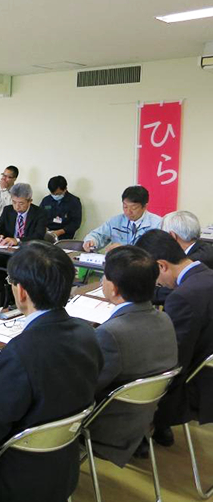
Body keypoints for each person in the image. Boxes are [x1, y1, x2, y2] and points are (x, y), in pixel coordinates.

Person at [0, 241, 102, 501]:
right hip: (60, 450)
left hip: (17, 461)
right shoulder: (87, 333)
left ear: (21, 291)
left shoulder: (21, 351)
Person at [88, 246, 177, 464]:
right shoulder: (164, 319)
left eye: (104, 278)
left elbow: (86, 388)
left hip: (109, 426)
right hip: (143, 418)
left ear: (115, 289)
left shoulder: (110, 334)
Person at [136, 229, 213, 447]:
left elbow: (173, 360)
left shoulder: (183, 297)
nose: (157, 284)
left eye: (154, 277)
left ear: (161, 265)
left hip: (196, 387)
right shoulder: (207, 276)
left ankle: (138, 436)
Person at [0, 183, 48, 280]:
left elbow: (38, 236)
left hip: (28, 253)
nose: (17, 206)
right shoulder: (8, 210)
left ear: (30, 201)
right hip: (9, 252)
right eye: (14, 202)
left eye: (21, 203)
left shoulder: (40, 213)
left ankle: (14, 290)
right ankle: (7, 289)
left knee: (20, 269)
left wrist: (18, 240)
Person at [83, 185, 161, 252]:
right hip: (117, 265)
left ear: (145, 207)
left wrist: (125, 249)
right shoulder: (116, 221)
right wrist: (91, 241)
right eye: (125, 207)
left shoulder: (157, 224)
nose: (128, 212)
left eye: (134, 208)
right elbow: (98, 234)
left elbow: (156, 251)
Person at [39, 175, 82, 240]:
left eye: (58, 194)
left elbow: (75, 223)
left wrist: (59, 232)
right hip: (47, 233)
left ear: (65, 189)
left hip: (65, 235)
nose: (55, 196)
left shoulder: (74, 201)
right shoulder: (46, 200)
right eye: (53, 194)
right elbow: (39, 216)